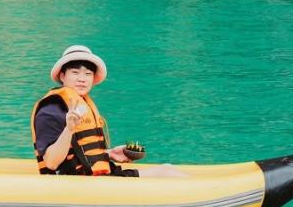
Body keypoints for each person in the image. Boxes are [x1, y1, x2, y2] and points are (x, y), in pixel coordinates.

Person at [31, 45, 186, 178]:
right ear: (63, 76)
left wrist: (109, 154)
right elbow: (51, 163)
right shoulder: (50, 110)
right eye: (75, 72)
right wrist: (69, 129)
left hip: (96, 178)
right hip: (76, 184)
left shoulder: (83, 105)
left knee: (168, 168)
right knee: (167, 173)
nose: (82, 79)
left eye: (88, 74)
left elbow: (82, 153)